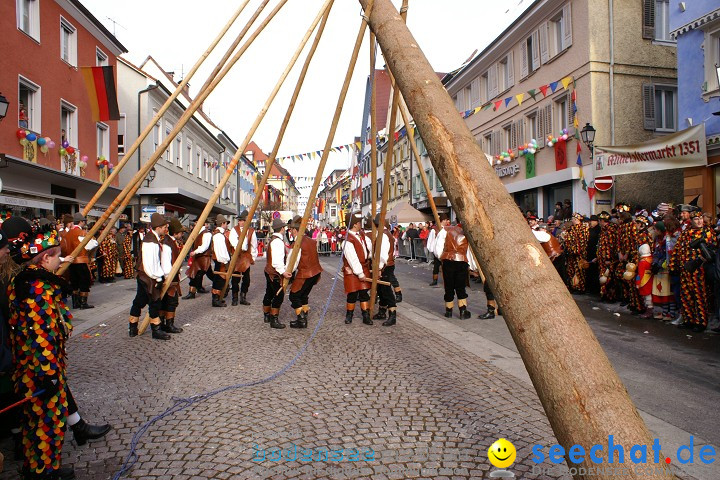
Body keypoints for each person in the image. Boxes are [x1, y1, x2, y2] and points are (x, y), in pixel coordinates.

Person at [7, 220, 78, 479]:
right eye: (57, 256)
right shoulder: (39, 288)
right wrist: (47, 373)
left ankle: (37, 466)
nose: (60, 261)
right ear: (45, 257)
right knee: (48, 420)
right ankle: (45, 471)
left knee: (35, 420)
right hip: (41, 368)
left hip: (31, 366)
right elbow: (41, 335)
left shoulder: (24, 281)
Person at [669, 210, 718, 332]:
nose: (699, 221)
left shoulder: (707, 232)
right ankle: (688, 320)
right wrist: (674, 266)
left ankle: (701, 322)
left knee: (699, 296)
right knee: (686, 295)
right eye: (696, 219)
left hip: (699, 270)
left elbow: (712, 251)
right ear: (691, 221)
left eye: (701, 218)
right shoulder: (685, 233)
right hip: (685, 270)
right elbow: (677, 250)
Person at [128, 213, 171, 340]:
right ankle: (156, 330)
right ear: (158, 227)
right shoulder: (150, 241)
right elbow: (151, 263)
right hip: (148, 277)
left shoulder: (152, 238)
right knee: (154, 302)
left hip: (144, 276)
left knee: (139, 301)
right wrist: (158, 278)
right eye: (164, 227)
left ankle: (132, 327)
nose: (165, 229)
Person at [433, 214, 475, 319]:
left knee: (449, 286)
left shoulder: (445, 230)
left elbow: (437, 248)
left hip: (448, 261)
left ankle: (449, 310)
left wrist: (442, 257)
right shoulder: (467, 233)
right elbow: (469, 252)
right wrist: (472, 266)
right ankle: (463, 310)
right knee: (460, 286)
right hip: (461, 261)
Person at [285, 216, 322, 328]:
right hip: (315, 272)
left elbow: (293, 261)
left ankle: (301, 320)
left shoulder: (297, 243)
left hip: (305, 274)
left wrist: (287, 272)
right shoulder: (310, 240)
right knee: (304, 295)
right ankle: (304, 316)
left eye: (291, 229)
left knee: (294, 296)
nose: (290, 231)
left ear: (295, 230)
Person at [60, 212, 98, 309]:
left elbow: (63, 248)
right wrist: (95, 241)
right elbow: (90, 245)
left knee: (74, 282)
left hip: (71, 261)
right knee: (85, 281)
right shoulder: (80, 232)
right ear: (81, 222)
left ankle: (75, 303)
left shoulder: (67, 234)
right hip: (81, 261)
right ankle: (83, 303)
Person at [342, 212, 373, 325]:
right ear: (355, 224)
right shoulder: (348, 239)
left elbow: (367, 249)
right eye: (359, 223)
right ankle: (349, 315)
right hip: (352, 269)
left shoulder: (361, 235)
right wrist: (359, 273)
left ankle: (365, 315)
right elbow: (352, 258)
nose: (361, 224)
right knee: (352, 293)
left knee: (364, 292)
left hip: (363, 266)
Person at [263, 218, 291, 329]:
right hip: (274, 273)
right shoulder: (278, 242)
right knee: (278, 296)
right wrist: (283, 272)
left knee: (269, 293)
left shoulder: (273, 239)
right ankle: (274, 319)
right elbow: (277, 261)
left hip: (269, 271)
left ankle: (266, 315)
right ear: (282, 228)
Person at [159, 217, 185, 334]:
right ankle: (167, 325)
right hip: (169, 277)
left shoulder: (171, 242)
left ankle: (165, 324)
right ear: (175, 233)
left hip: (172, 276)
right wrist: (168, 278)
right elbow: (165, 262)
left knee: (168, 301)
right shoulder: (167, 244)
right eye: (181, 232)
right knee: (170, 301)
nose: (182, 234)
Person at [371, 214, 398, 326]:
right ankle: (382, 312)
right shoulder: (384, 234)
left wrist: (379, 268)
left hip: (385, 266)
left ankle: (392, 314)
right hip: (385, 265)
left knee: (386, 290)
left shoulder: (383, 235)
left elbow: (382, 255)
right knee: (381, 290)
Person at [229, 210, 257, 306]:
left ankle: (243, 297)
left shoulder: (251, 231)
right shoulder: (234, 230)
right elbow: (232, 242)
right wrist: (238, 248)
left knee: (246, 279)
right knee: (235, 278)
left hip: (246, 257)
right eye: (240, 220)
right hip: (237, 256)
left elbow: (254, 245)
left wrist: (253, 257)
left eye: (243, 220)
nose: (241, 222)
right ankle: (235, 297)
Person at [183, 220, 213, 299]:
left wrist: (195, 252)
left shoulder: (206, 233)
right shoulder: (197, 232)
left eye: (196, 222)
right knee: (196, 274)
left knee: (198, 274)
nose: (195, 224)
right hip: (199, 257)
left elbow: (204, 246)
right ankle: (197, 289)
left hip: (204, 257)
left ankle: (221, 285)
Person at [596, 211, 619, 302]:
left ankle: (610, 297)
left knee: (608, 278)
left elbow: (610, 245)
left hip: (608, 259)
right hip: (602, 258)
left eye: (600, 220)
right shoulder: (603, 230)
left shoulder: (609, 231)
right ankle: (604, 295)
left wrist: (608, 258)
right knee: (603, 278)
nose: (599, 222)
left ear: (603, 221)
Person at [564, 213, 589, 294]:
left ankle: (580, 288)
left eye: (573, 219)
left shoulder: (583, 229)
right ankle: (572, 286)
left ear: (576, 220)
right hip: (570, 253)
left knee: (579, 271)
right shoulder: (571, 229)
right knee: (571, 270)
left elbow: (583, 242)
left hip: (579, 254)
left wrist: (577, 251)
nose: (572, 221)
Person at [210, 215, 231, 308]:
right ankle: (215, 300)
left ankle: (218, 298)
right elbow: (222, 252)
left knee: (220, 280)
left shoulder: (219, 234)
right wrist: (226, 262)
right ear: (222, 223)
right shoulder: (219, 236)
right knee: (219, 280)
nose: (226, 225)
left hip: (221, 261)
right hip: (221, 261)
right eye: (226, 223)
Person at [635, 244, 654, 319]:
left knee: (647, 296)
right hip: (651, 279)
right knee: (649, 295)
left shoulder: (642, 262)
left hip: (644, 281)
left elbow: (640, 274)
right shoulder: (651, 259)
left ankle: (649, 311)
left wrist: (637, 283)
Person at [426, 221, 441, 286]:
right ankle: (435, 280)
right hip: (437, 250)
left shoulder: (446, 229)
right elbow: (431, 239)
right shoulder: (434, 230)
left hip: (444, 250)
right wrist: (431, 248)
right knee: (436, 266)